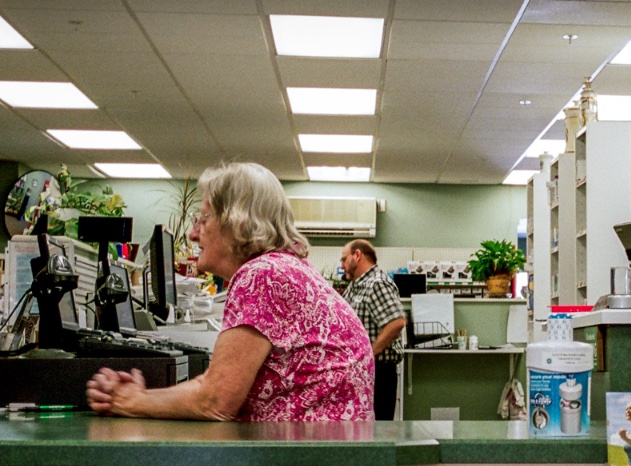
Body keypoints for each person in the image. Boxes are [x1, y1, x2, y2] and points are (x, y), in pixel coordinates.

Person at [86, 162, 373, 421]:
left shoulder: (262, 276)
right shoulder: (284, 269)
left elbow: (215, 402)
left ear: (236, 221)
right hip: (324, 461)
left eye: (204, 218)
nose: (193, 233)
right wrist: (140, 397)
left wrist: (130, 402)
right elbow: (212, 386)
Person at [338, 239, 405, 420]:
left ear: (357, 255)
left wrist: (368, 353)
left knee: (378, 431)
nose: (342, 266)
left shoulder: (377, 283)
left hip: (379, 372)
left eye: (344, 260)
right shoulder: (355, 286)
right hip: (363, 371)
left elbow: (396, 322)